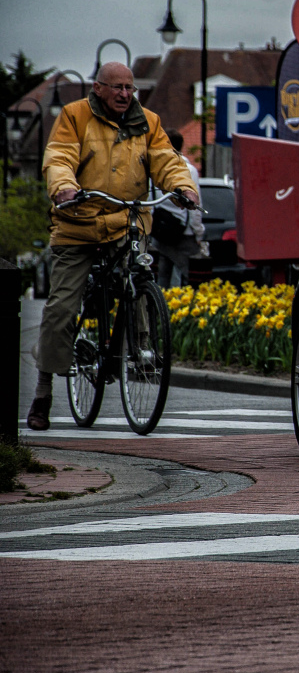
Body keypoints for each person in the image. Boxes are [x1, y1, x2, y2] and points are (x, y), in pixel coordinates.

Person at [26, 62, 198, 431]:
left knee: (139, 276)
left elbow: (166, 159)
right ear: (99, 88)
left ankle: (141, 349)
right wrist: (64, 188)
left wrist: (182, 186)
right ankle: (43, 391)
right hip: (79, 223)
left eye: (129, 88)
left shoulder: (148, 122)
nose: (124, 94)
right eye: (117, 87)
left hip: (126, 221)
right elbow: (58, 157)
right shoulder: (74, 117)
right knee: (62, 307)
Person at [148, 130, 206, 288]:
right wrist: (198, 233)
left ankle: (161, 310)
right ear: (182, 146)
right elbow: (194, 206)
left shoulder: (154, 169)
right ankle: (185, 309)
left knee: (161, 279)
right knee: (190, 279)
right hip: (183, 234)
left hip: (159, 233)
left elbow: (148, 201)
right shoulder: (188, 170)